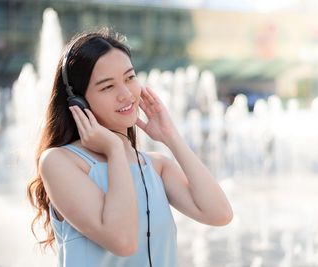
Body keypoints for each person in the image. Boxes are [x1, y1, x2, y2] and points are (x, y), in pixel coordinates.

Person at [27, 29, 233, 267]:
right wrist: (114, 150)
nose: (125, 94)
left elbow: (220, 214)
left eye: (129, 78)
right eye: (107, 87)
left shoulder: (156, 167)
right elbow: (123, 241)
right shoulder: (60, 162)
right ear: (79, 102)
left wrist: (171, 136)